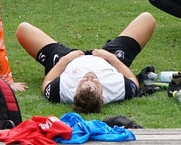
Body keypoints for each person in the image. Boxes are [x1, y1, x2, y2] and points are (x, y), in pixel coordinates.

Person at [15, 13, 156, 113]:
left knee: (23, 29)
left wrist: (65, 60)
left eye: (83, 82)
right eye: (94, 82)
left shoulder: (62, 91)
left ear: (74, 94)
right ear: (102, 98)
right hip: (106, 59)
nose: (89, 77)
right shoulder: (117, 90)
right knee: (147, 19)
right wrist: (111, 58)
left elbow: (46, 83)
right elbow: (133, 81)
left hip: (69, 60)